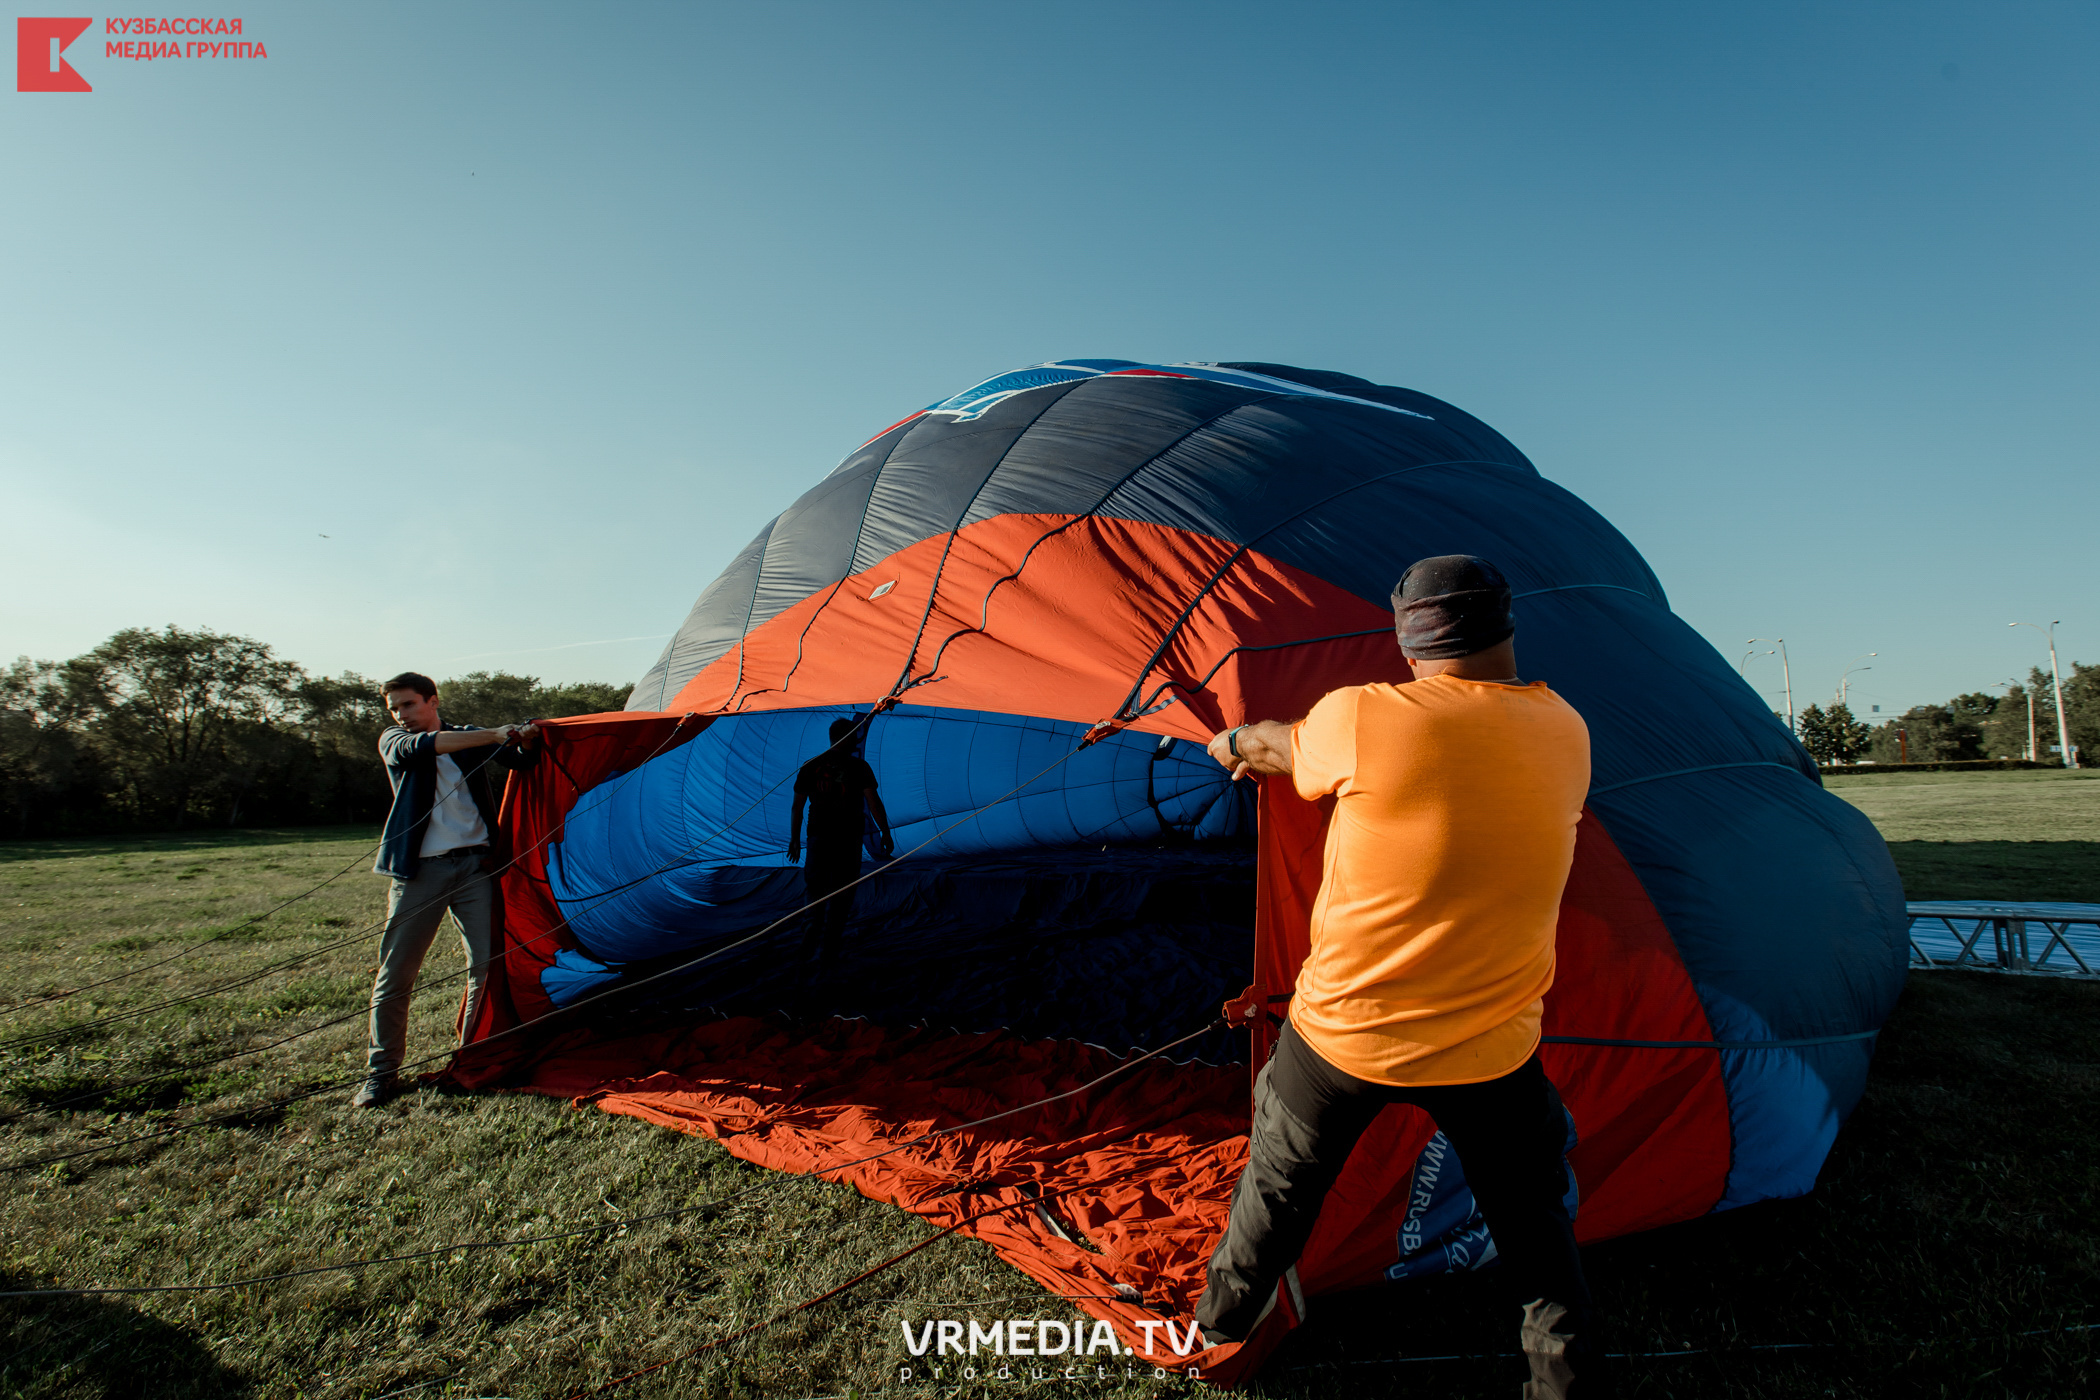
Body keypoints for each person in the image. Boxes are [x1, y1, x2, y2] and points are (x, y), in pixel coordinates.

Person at [1194, 555, 1604, 1399]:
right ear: (1507, 629)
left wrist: (1228, 741)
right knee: (1535, 1229)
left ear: (1409, 645)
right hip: (1494, 1048)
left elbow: (1275, 747)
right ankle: (1561, 1385)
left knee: (1277, 1187)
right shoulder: (1566, 729)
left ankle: (1221, 1325)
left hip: (1345, 1032)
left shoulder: (1364, 718)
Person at [354, 672, 540, 1109]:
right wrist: (495, 734)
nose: (401, 715)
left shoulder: (467, 736)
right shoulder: (395, 740)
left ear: (432, 700)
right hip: (420, 872)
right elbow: (423, 747)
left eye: (408, 705)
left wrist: (526, 740)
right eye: (395, 708)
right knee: (397, 974)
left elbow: (521, 762)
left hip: (476, 865)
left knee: (487, 967)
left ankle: (471, 1058)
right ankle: (381, 1075)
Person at [787, 716, 893, 961]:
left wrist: (794, 839)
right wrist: (885, 832)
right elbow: (873, 802)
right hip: (848, 837)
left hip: (818, 836)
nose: (858, 739)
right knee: (843, 891)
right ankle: (829, 945)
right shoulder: (859, 767)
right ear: (847, 737)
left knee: (816, 886)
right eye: (855, 734)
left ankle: (812, 925)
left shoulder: (810, 766)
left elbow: (797, 806)